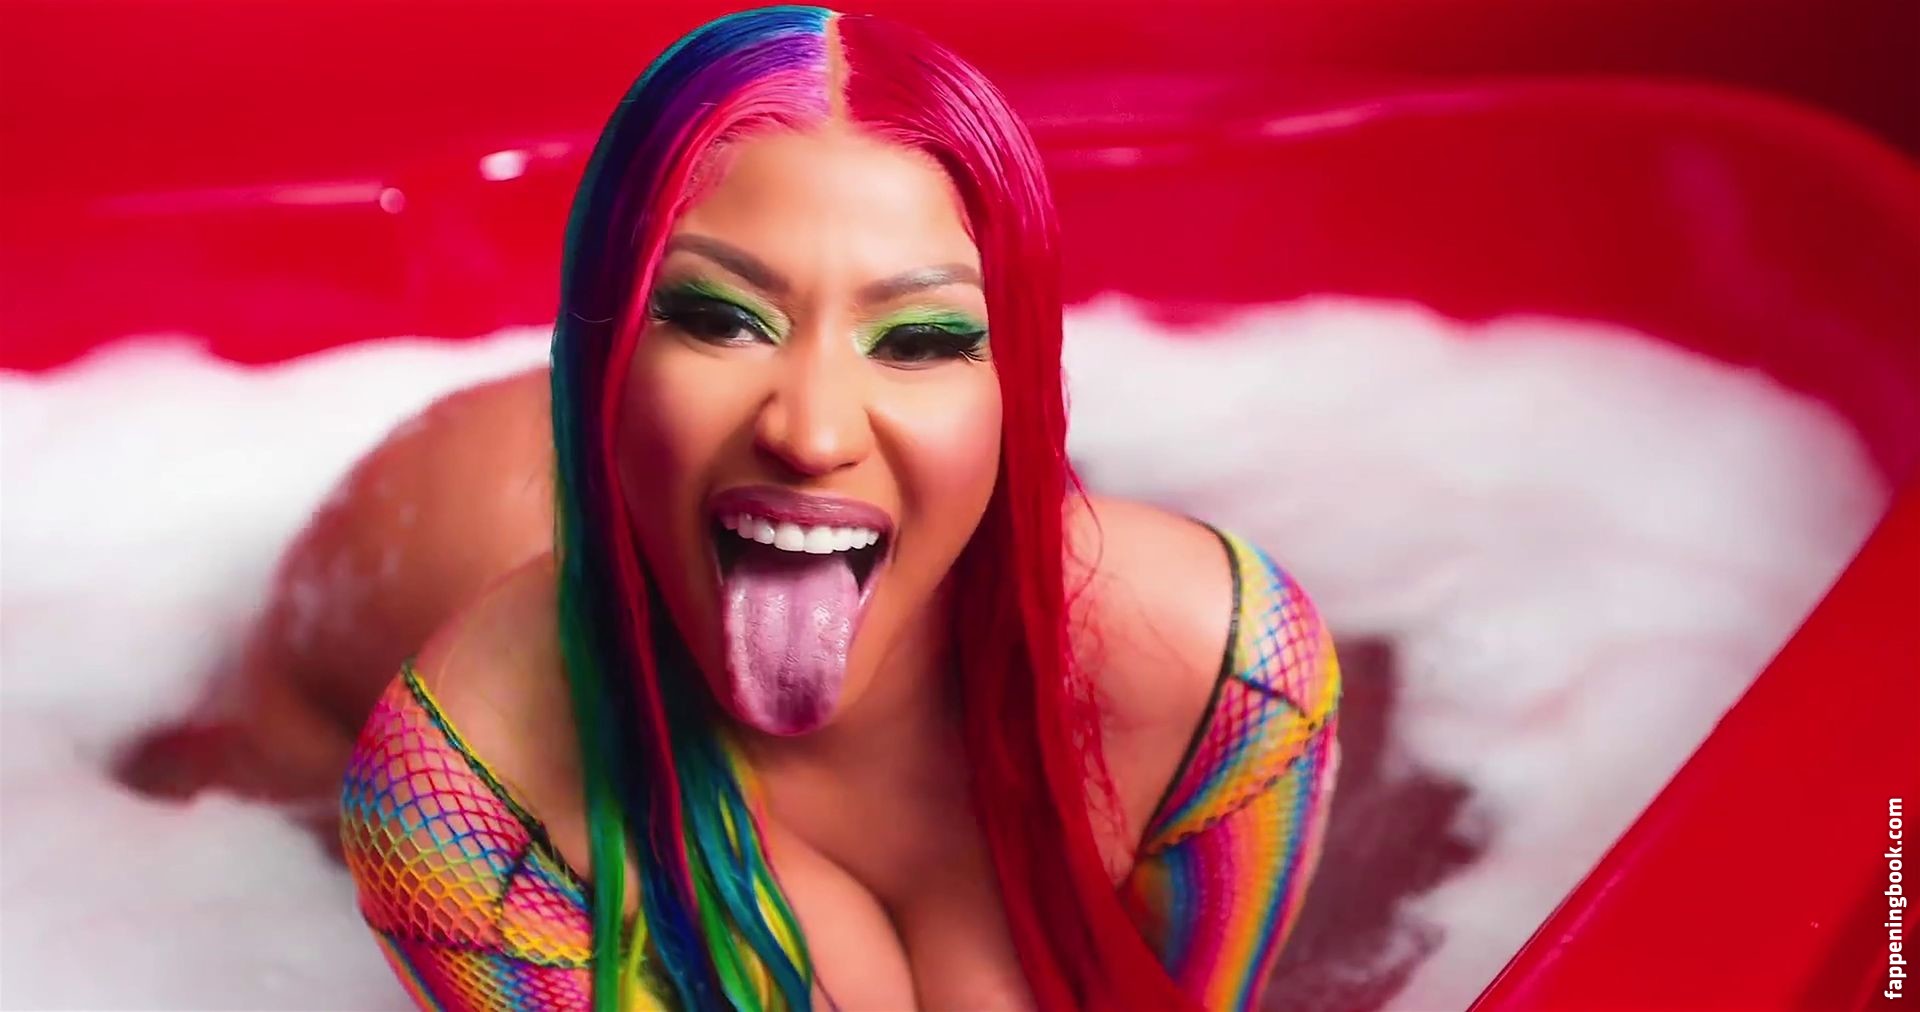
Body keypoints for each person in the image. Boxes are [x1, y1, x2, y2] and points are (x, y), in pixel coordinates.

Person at [143, 7, 1342, 1009]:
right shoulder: (467, 806)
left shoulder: (1229, 683)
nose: (811, 431)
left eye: (924, 338)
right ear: (600, 359)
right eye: (716, 317)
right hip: (408, 560)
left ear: (1018, 387)